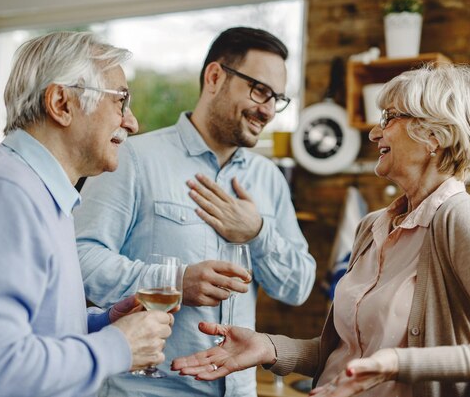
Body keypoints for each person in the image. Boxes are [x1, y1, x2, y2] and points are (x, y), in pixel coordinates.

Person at [171, 63, 470, 397]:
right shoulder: (372, 226)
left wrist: (398, 363)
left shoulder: (461, 218)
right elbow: (347, 354)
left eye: (390, 117)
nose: (375, 132)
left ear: (434, 136)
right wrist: (269, 347)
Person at [0, 31, 175, 397]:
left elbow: (28, 331)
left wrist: (102, 325)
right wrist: (118, 347)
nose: (132, 123)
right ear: (61, 103)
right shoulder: (3, 195)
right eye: (121, 101)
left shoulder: (36, 192)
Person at [73, 26, 316, 397]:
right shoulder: (132, 159)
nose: (268, 110)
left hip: (239, 390)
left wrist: (257, 233)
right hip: (147, 390)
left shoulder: (269, 179)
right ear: (215, 76)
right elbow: (80, 259)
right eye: (260, 91)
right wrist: (173, 284)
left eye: (278, 99)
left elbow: (298, 288)